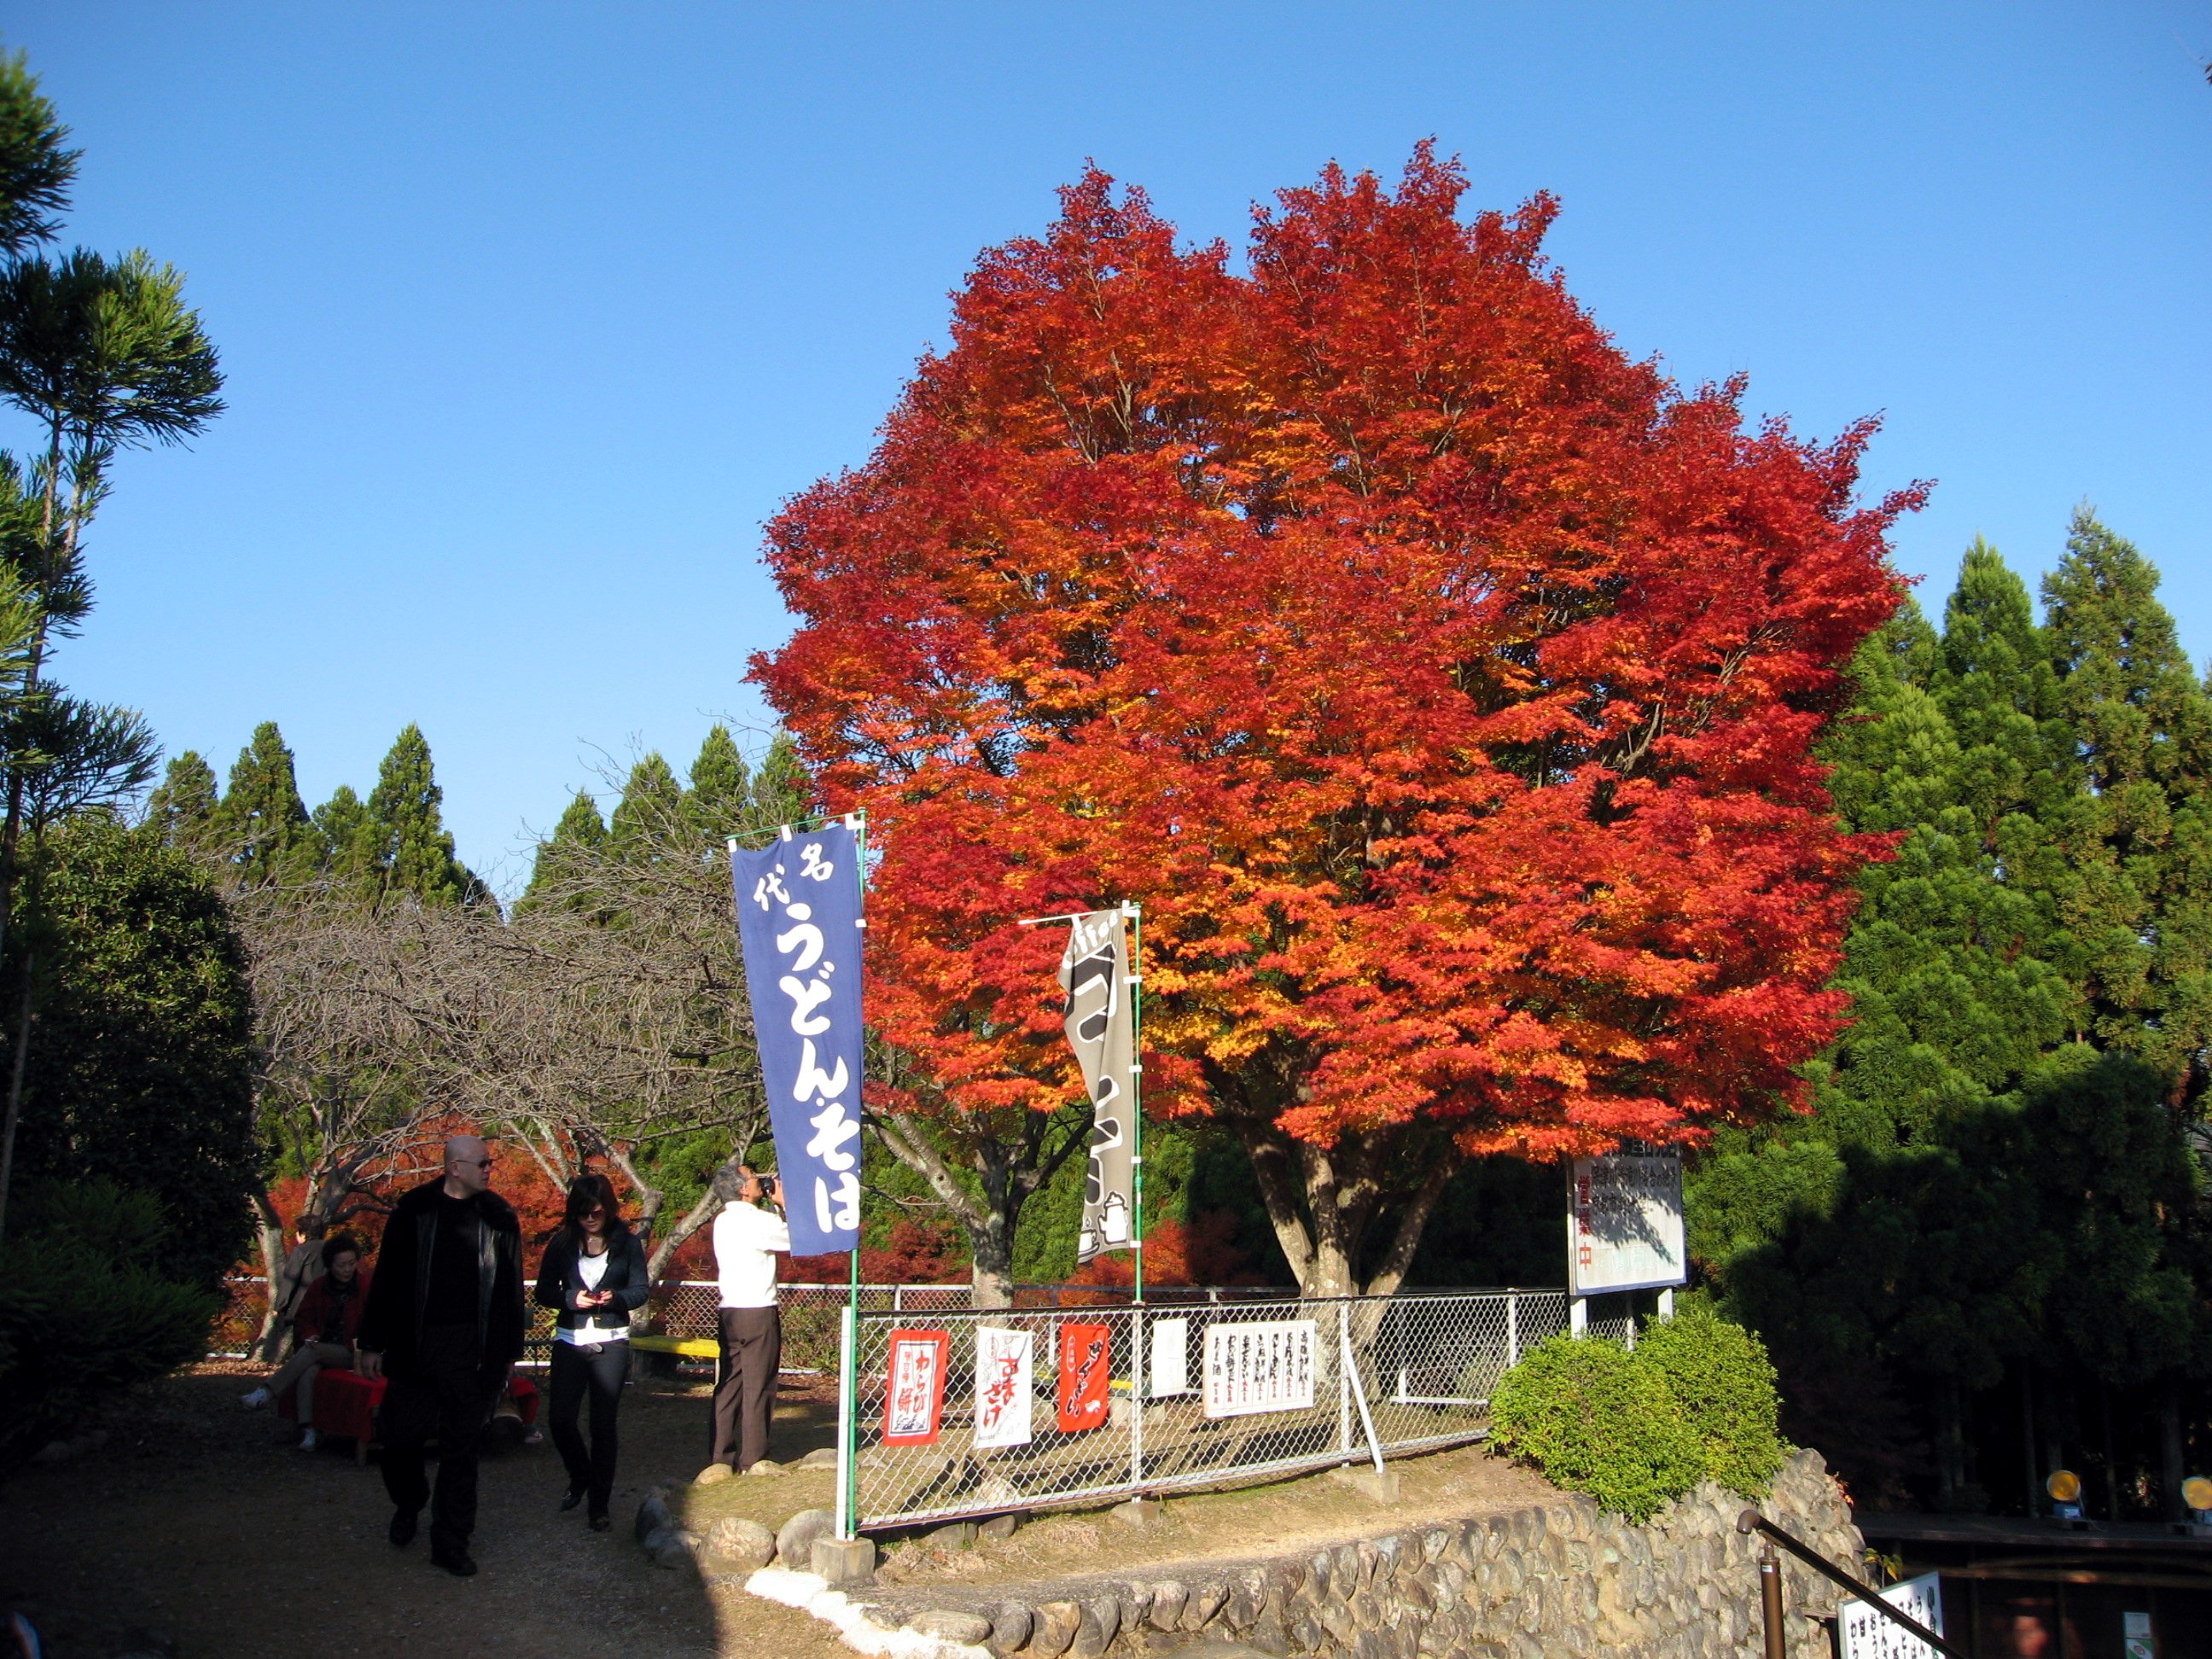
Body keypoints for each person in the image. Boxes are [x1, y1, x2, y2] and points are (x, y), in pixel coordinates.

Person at [356, 1133, 524, 1578]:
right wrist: (371, 1342)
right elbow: (387, 1279)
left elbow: (510, 1290)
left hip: (473, 1351)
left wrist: (509, 1352)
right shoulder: (413, 1212)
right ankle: (409, 1501)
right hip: (414, 1347)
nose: (489, 1169)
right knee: (400, 1441)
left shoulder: (499, 1218)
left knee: (461, 1451)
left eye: (490, 1162)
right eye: (482, 1163)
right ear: (454, 1167)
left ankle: (451, 1543)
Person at [533, 1173, 649, 1531]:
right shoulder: (562, 1244)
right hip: (569, 1340)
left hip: (611, 1341)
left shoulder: (627, 1244)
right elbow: (543, 1291)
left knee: (603, 1425)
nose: (589, 1219)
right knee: (560, 1419)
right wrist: (571, 1298)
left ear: (608, 1209)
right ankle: (580, 1475)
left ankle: (599, 1506)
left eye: (596, 1212)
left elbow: (640, 1290)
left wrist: (616, 1298)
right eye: (582, 1212)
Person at [240, 1231, 370, 1447]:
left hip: (351, 1350)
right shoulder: (319, 1286)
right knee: (307, 1372)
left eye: (351, 1263)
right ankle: (309, 1429)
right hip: (322, 1346)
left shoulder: (365, 1287)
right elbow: (304, 1317)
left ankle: (267, 1392)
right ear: (330, 1265)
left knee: (311, 1353)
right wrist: (310, 1334)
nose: (347, 1269)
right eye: (341, 1265)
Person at [707, 1163, 788, 1475]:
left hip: (730, 1311)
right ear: (743, 1188)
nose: (760, 1181)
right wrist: (783, 1204)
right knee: (759, 1385)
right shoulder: (758, 1220)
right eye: (754, 1177)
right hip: (758, 1310)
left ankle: (720, 1456)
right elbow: (794, 1239)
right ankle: (753, 1458)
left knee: (729, 1385)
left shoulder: (722, 1221)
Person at [258, 1215, 326, 1362]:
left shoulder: (301, 1251)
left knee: (303, 1346)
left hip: (304, 1306)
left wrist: (279, 1306)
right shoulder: (332, 1250)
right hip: (329, 1304)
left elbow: (290, 1280)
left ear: (304, 1233)